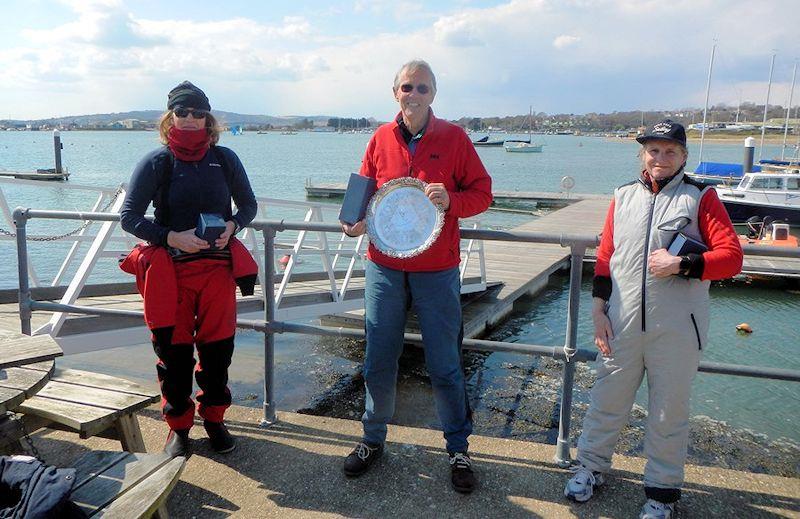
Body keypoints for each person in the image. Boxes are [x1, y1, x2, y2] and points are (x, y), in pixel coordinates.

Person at [563, 120, 743, 518]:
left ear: (683, 156)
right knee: (605, 400)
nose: (660, 158)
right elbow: (607, 258)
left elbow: (731, 258)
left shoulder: (700, 197)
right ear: (642, 154)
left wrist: (683, 263)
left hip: (678, 329)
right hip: (621, 322)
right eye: (653, 150)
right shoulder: (623, 195)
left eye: (670, 151)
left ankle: (662, 491)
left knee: (668, 411)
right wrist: (597, 310)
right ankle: (591, 467)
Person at [339, 60, 493, 493]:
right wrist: (351, 222)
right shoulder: (380, 138)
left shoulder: (455, 138)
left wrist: (452, 201)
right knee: (378, 359)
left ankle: (459, 449)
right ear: (395, 93)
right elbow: (361, 197)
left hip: (437, 269)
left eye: (422, 87)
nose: (414, 94)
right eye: (407, 86)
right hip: (384, 267)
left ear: (432, 94)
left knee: (444, 363)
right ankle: (372, 440)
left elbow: (483, 193)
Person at [120, 81, 258, 458]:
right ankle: (179, 427)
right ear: (170, 117)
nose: (192, 119)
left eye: (199, 113)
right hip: (172, 274)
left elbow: (247, 207)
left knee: (218, 356)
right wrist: (170, 237)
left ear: (209, 118)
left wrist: (232, 226)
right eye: (183, 112)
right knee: (175, 358)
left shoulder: (226, 159)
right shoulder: (157, 162)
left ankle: (214, 420)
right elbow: (129, 218)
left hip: (216, 273)